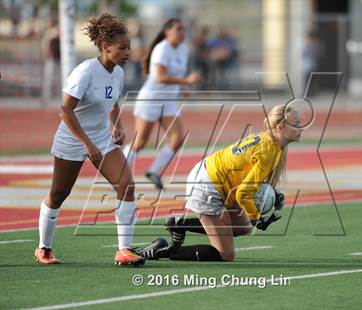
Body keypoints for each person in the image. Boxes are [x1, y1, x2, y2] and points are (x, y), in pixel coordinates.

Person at [34, 14, 145, 267]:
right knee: (59, 193)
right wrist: (87, 143)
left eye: (129, 47)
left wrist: (116, 125)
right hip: (72, 138)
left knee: (126, 184)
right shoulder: (85, 72)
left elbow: (113, 102)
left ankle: (124, 250)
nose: (128, 52)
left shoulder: (117, 72)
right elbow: (65, 110)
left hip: (100, 138)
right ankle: (44, 248)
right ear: (106, 47)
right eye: (122, 48)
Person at [139, 104, 302, 262]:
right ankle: (164, 251)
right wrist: (256, 218)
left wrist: (274, 194)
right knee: (225, 254)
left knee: (242, 227)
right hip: (208, 185)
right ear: (280, 127)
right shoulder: (269, 151)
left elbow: (252, 179)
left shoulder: (269, 141)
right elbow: (243, 193)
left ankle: (179, 224)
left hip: (211, 175)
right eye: (296, 124)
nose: (301, 128)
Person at [123, 18, 201, 190]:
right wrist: (186, 80)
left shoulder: (183, 49)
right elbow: (160, 76)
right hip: (151, 99)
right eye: (178, 29)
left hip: (168, 100)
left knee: (177, 138)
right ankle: (118, 172)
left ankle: (155, 171)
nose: (182, 32)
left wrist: (183, 86)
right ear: (167, 32)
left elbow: (176, 73)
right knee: (140, 141)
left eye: (183, 29)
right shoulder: (162, 48)